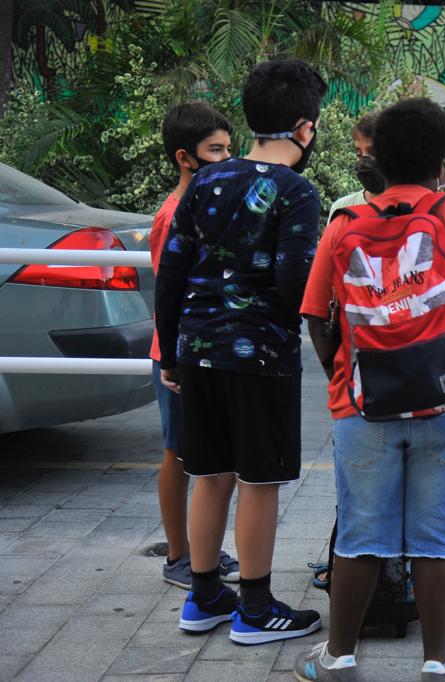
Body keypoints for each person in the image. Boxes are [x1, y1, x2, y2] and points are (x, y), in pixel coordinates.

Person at [294, 98, 445, 682]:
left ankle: (338, 658)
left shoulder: (344, 224)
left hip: (363, 403)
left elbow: (316, 315)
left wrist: (338, 373)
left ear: (377, 160)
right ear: (443, 164)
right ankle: (439, 662)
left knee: (362, 534)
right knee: (438, 534)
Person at [155, 58, 326, 644]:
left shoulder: (205, 180)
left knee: (210, 472)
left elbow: (172, 270)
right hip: (261, 358)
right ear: (305, 126)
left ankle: (204, 598)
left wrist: (171, 354)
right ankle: (254, 609)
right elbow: (294, 283)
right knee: (259, 479)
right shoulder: (296, 192)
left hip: (196, 347)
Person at [151, 102, 238, 590]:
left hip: (199, 349)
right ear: (186, 157)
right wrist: (171, 356)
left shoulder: (204, 205)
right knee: (177, 452)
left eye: (229, 148)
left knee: (200, 452)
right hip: (175, 355)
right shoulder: (172, 215)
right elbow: (170, 291)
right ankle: (179, 555)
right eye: (216, 150)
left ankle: (201, 549)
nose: (227, 158)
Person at [327, 112, 384, 220]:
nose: (364, 160)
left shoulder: (410, 211)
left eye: (373, 152)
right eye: (359, 154)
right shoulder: (342, 209)